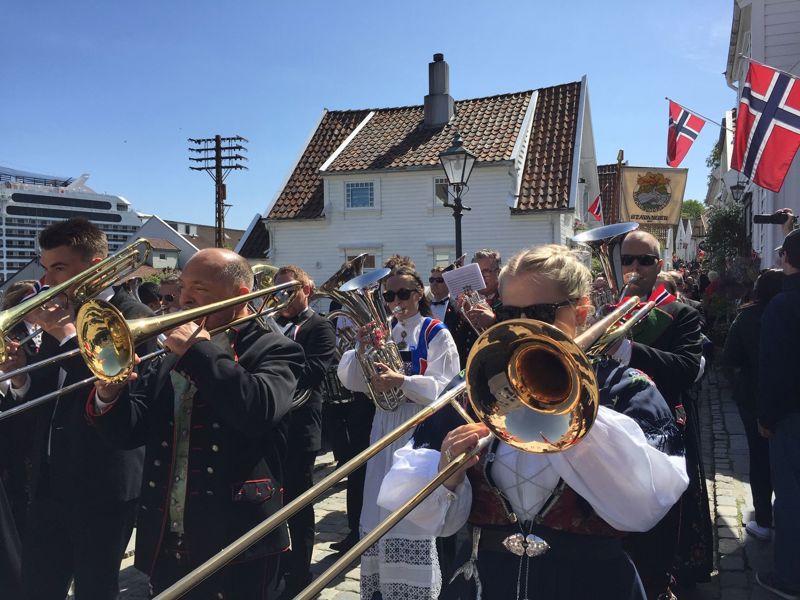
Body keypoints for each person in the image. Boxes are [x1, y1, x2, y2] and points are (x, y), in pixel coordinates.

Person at [378, 244, 688, 600]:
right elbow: (425, 513)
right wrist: (447, 475)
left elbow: (645, 506)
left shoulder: (626, 388)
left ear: (581, 311)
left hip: (591, 584)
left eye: (540, 312)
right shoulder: (474, 385)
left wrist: (574, 408)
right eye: (510, 312)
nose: (523, 325)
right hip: (486, 582)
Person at [88, 248, 305, 599]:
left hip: (237, 537)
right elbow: (129, 433)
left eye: (199, 289)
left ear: (241, 296)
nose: (183, 299)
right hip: (167, 535)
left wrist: (199, 353)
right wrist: (110, 395)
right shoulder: (169, 351)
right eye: (183, 287)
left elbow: (258, 411)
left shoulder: (273, 348)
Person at [0, 218, 153, 600]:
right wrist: (19, 378)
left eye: (60, 268)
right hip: (50, 481)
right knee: (35, 588)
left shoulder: (134, 317)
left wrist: (67, 336)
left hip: (104, 483)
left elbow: (120, 387)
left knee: (95, 589)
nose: (48, 281)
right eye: (47, 268)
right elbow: (54, 393)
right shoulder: (64, 311)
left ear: (96, 264)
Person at [337, 266, 460, 599]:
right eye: (389, 295)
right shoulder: (382, 331)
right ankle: (383, 587)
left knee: (411, 504)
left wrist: (402, 381)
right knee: (379, 499)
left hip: (418, 424)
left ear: (419, 294)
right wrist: (361, 349)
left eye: (404, 294)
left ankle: (413, 589)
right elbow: (350, 380)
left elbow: (446, 386)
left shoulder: (436, 331)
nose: (396, 301)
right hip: (384, 422)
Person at [617, 229, 709, 596]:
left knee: (668, 508)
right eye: (627, 260)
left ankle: (664, 576)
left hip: (665, 423)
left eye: (644, 260)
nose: (635, 267)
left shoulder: (681, 312)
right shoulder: (605, 309)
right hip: (620, 424)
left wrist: (630, 352)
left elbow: (687, 367)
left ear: (660, 265)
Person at [272, 265, 336, 597]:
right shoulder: (274, 325)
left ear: (306, 291)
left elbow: (314, 371)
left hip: (300, 426)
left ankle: (301, 571)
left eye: (288, 289)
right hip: (272, 426)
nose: (281, 295)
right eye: (277, 289)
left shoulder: (319, 326)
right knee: (273, 502)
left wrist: (271, 370)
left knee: (299, 502)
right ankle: (280, 561)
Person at [722, 269, 784, 543]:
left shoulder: (747, 316)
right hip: (788, 397)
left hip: (754, 398)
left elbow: (730, 358)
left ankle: (763, 520)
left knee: (759, 458)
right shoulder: (789, 313)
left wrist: (739, 388)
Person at [756, 226, 800, 599]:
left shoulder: (783, 305)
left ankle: (789, 576)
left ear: (786, 259)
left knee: (790, 497)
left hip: (791, 414)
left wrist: (766, 417)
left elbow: (772, 368)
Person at [450, 249, 502, 368]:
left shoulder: (507, 300)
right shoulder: (463, 301)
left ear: (498, 272)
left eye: (486, 271)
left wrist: (494, 320)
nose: (481, 277)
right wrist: (461, 317)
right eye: (477, 272)